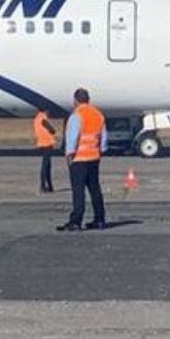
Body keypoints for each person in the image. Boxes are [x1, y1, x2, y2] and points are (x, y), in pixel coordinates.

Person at [57, 88, 107, 232]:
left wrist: (69, 155)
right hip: (94, 158)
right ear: (88, 99)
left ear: (76, 100)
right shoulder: (98, 115)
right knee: (95, 190)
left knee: (78, 192)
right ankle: (100, 219)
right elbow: (103, 139)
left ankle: (76, 221)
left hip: (79, 159)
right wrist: (100, 151)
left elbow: (72, 138)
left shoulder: (76, 116)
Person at [32, 111, 57, 193]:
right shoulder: (43, 119)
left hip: (42, 143)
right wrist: (53, 130)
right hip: (47, 143)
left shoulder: (37, 119)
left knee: (47, 165)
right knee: (45, 166)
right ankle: (43, 185)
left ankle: (49, 186)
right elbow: (51, 129)